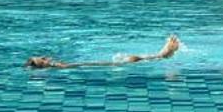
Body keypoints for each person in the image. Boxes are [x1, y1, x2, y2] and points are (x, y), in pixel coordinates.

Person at [25, 35, 181, 70]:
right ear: (43, 66)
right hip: (109, 64)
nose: (46, 58)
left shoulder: (58, 66)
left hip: (107, 63)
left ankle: (163, 54)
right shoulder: (59, 67)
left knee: (135, 58)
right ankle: (164, 54)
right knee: (134, 58)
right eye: (42, 60)